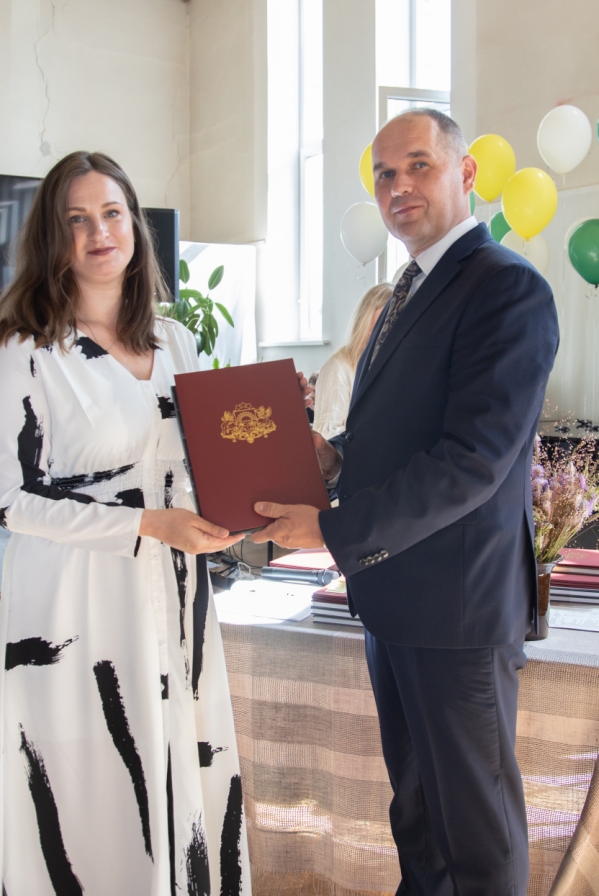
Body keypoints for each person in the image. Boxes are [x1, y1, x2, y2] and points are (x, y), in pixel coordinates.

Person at [250, 110, 559, 896]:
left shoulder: (506, 287)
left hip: (459, 612)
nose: (398, 186)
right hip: (397, 603)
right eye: (384, 173)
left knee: (477, 838)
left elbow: (472, 460)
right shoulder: (403, 295)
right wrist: (325, 456)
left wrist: (333, 530)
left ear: (466, 174)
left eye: (419, 164)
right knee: (419, 822)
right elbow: (399, 437)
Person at [0, 151, 252, 896]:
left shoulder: (175, 340)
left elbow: (197, 459)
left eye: (111, 213)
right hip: (77, 599)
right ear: (52, 237)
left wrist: (254, 469)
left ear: (134, 225)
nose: (98, 233)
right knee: (94, 781)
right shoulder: (26, 351)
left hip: (174, 587)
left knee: (178, 756)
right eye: (77, 220)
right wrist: (145, 525)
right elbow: (11, 502)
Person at [313, 283, 393, 438]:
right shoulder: (339, 367)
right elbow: (327, 437)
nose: (384, 336)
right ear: (363, 325)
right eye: (378, 328)